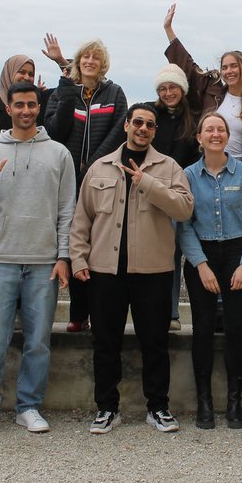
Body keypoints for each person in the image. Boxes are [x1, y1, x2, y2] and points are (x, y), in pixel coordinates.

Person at [70, 103, 194, 436]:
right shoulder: (100, 168)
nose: (143, 128)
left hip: (152, 272)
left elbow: (184, 209)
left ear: (155, 131)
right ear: (126, 125)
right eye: (137, 122)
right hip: (105, 271)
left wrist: (147, 183)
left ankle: (158, 407)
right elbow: (82, 219)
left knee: (154, 342)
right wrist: (78, 259)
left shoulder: (168, 167)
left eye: (150, 125)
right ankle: (107, 408)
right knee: (105, 342)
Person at [0, 82, 75, 440]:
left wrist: (64, 256)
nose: (25, 110)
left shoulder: (58, 153)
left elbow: (66, 211)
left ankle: (29, 406)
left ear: (39, 108)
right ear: (8, 108)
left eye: (31, 104)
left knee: (38, 341)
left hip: (43, 263)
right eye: (18, 105)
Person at [178, 112, 242, 430]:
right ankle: (204, 403)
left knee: (235, 330)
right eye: (209, 129)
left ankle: (234, 402)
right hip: (202, 255)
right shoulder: (187, 175)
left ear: (228, 136)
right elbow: (183, 225)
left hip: (236, 253)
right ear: (199, 137)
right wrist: (200, 265)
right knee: (201, 330)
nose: (215, 134)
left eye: (221, 129)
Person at [42, 34, 128, 333]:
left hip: (102, 181)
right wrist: (66, 94)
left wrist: (96, 165)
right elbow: (55, 131)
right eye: (85, 57)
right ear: (78, 62)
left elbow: (120, 130)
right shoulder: (63, 93)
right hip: (67, 181)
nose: (90, 61)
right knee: (74, 244)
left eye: (96, 57)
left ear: (103, 64)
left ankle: (98, 312)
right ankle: (78, 314)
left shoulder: (114, 92)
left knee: (101, 247)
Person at [163, 3, 242, 179]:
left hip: (237, 172)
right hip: (206, 169)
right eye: (225, 67)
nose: (229, 71)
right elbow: (188, 67)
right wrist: (169, 30)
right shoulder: (211, 90)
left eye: (234, 66)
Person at [151, 63, 201, 331]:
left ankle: (172, 313)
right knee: (156, 256)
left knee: (176, 255)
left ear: (182, 89)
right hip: (151, 193)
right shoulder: (150, 114)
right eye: (163, 88)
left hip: (181, 195)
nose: (168, 92)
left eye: (172, 87)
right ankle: (155, 310)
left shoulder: (193, 118)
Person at [0, 54, 56, 147]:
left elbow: (68, 87)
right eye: (22, 72)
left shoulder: (41, 101)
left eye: (31, 74)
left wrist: (61, 61)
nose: (26, 77)